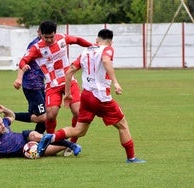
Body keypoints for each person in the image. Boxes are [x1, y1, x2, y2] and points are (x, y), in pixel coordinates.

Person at [37, 29, 146, 163]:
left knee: (79, 130)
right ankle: (131, 158)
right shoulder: (108, 49)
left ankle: (51, 137)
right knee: (123, 125)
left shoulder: (86, 52)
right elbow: (106, 61)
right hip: (101, 98)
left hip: (86, 97)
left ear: (96, 40)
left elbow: (69, 72)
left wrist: (68, 94)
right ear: (110, 42)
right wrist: (116, 83)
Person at [19, 20, 93, 155]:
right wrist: (23, 65)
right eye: (45, 37)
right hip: (52, 85)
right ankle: (51, 140)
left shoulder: (62, 39)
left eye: (51, 37)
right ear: (40, 34)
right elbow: (23, 60)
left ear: (55, 33)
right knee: (51, 116)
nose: (48, 40)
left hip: (69, 81)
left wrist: (92, 46)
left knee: (78, 112)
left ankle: (72, 142)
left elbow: (77, 40)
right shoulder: (36, 48)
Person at [0, 104, 81, 161]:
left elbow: (12, 116)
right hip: (26, 150)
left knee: (36, 135)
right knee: (56, 149)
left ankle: (72, 145)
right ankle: (67, 144)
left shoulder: (4, 123)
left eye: (2, 122)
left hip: (25, 137)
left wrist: (4, 109)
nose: (3, 126)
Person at [13, 27, 46, 134]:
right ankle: (11, 115)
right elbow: (23, 61)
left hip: (41, 84)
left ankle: (36, 142)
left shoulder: (49, 44)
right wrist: (19, 78)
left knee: (47, 114)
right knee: (43, 117)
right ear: (39, 32)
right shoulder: (34, 45)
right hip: (32, 85)